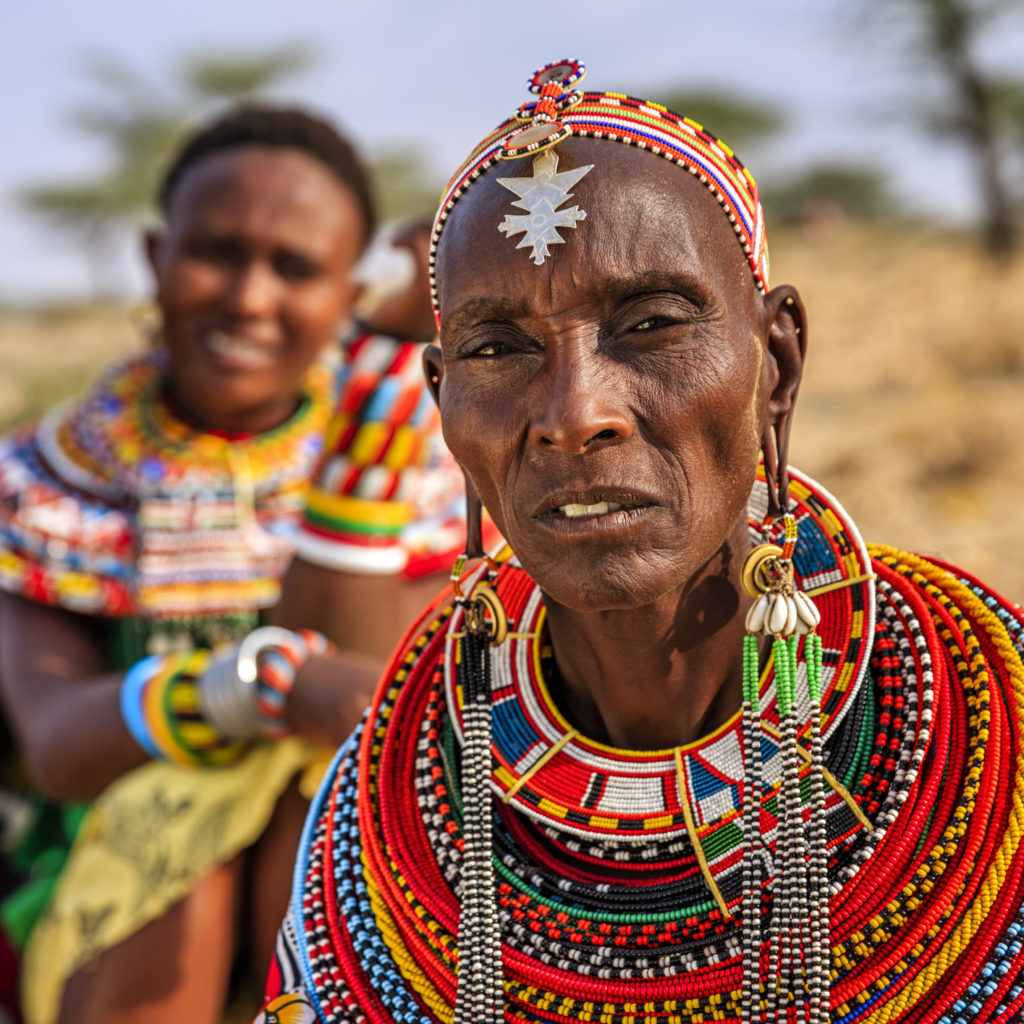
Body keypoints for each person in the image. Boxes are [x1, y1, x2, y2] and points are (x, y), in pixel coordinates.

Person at [255, 60, 1024, 1024]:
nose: (576, 414)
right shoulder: (387, 789)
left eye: (652, 324)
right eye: (499, 349)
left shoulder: (987, 702)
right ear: (442, 401)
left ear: (775, 363)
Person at [0, 104, 441, 1024]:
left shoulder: (420, 467)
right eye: (216, 251)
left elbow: (373, 689)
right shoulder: (43, 484)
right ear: (155, 257)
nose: (247, 297)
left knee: (329, 799)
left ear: (347, 293)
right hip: (108, 893)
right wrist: (258, 687)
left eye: (295, 268)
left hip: (313, 864)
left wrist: (385, 378)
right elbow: (57, 746)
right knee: (181, 816)